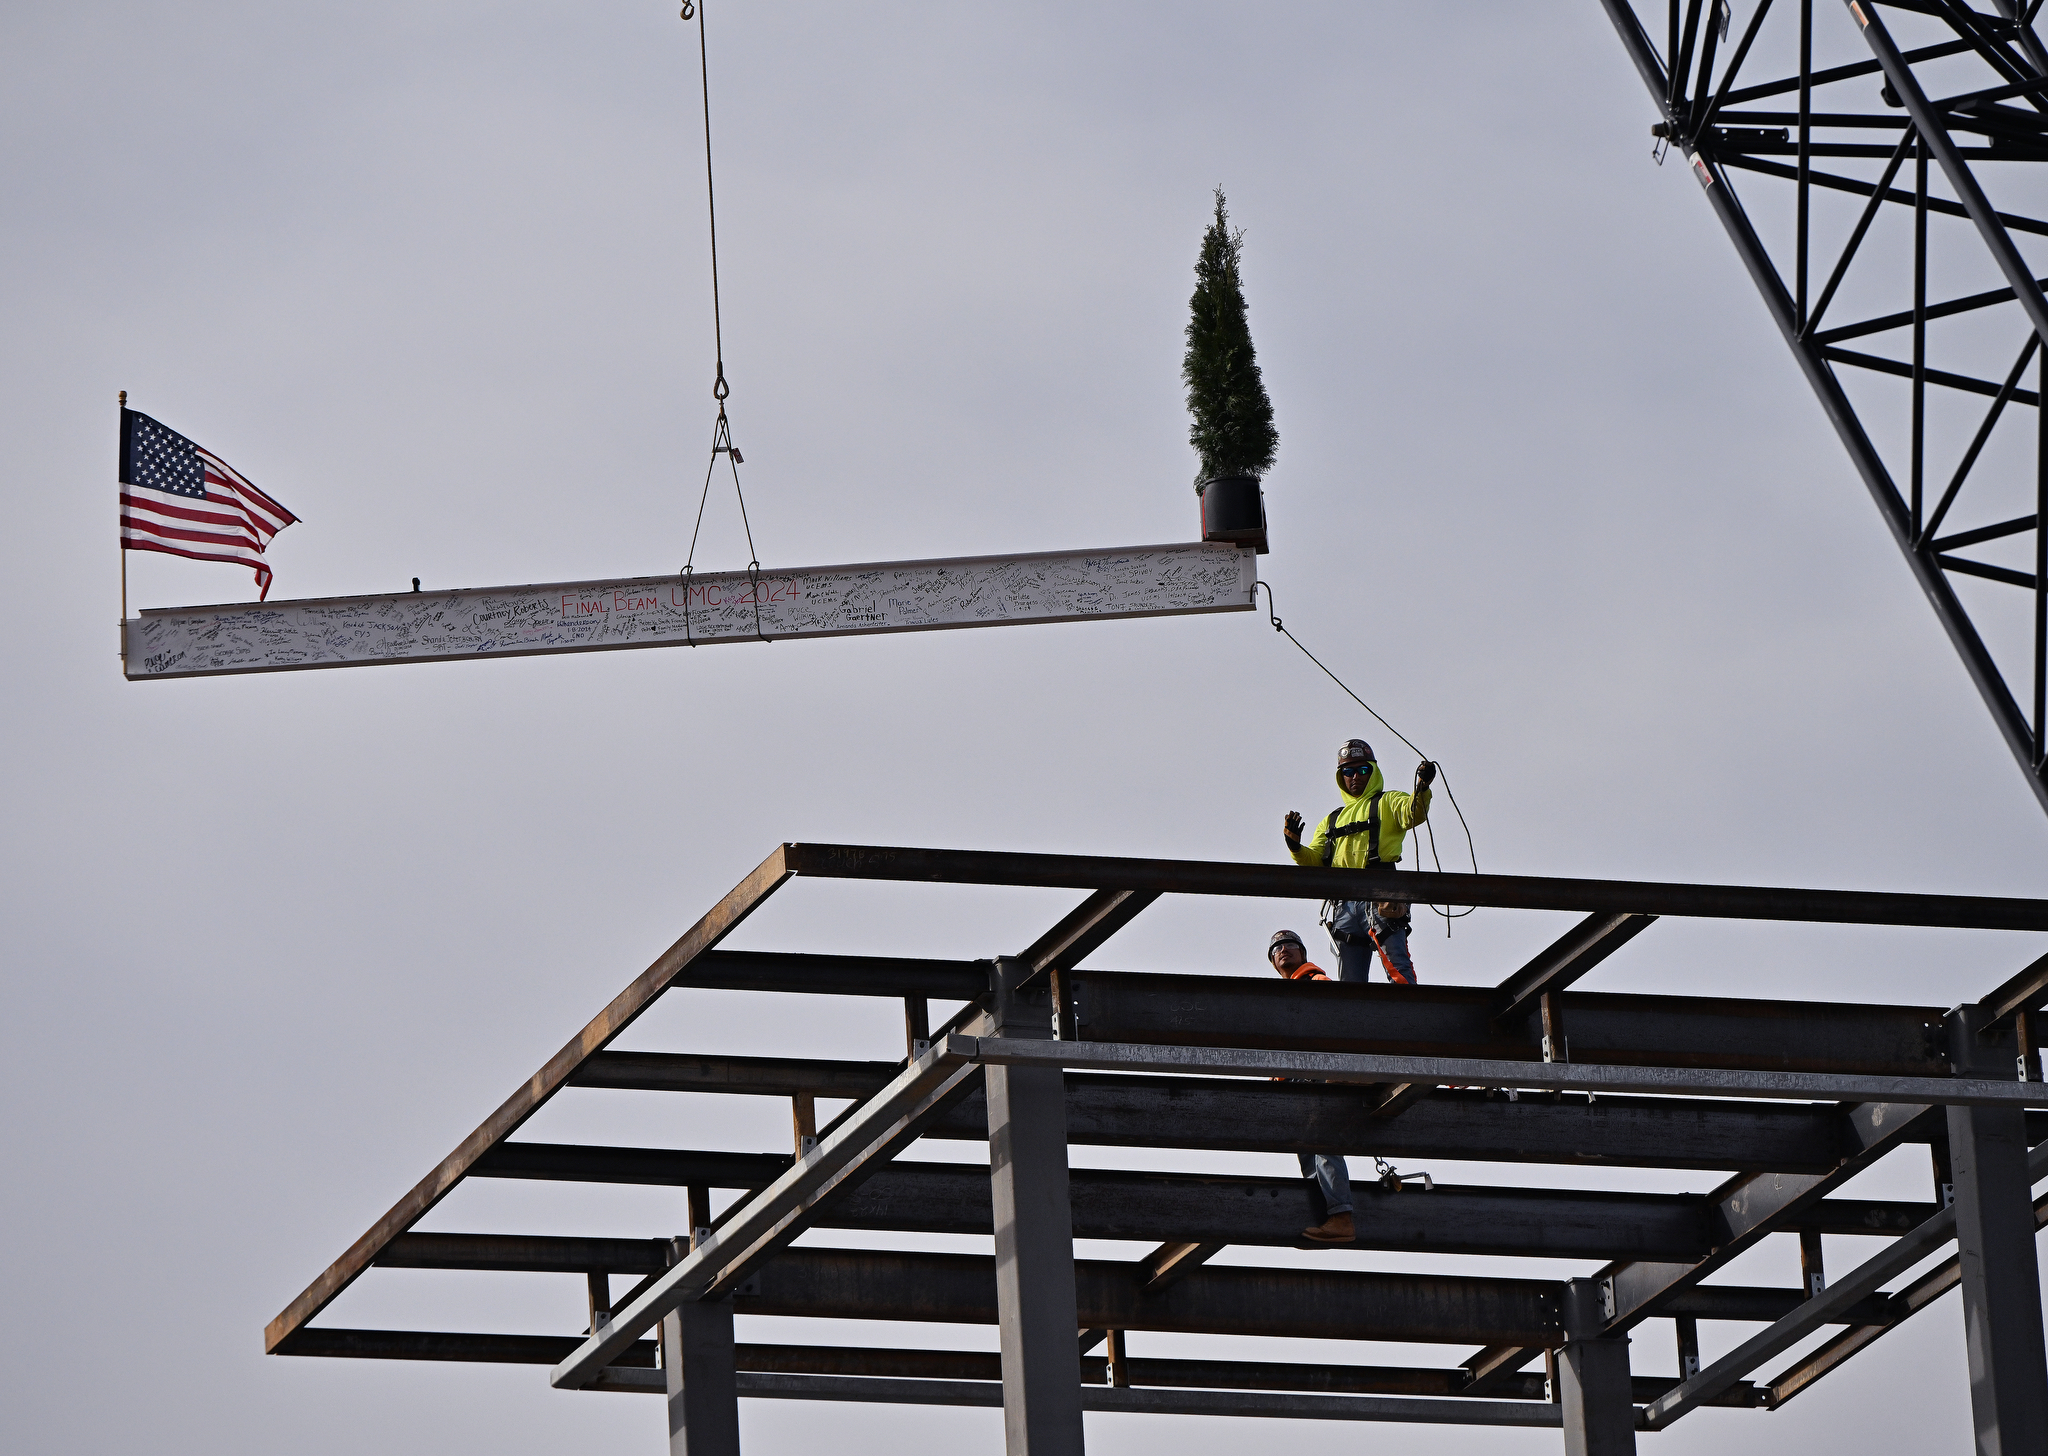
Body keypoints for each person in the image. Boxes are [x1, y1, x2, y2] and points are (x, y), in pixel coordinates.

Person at [1282, 739, 1436, 984]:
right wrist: (1295, 847)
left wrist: (1422, 786)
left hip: (1381, 893)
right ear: (1340, 776)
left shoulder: (1389, 801)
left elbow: (1412, 813)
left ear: (1373, 771)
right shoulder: (1331, 820)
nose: (1355, 777)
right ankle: (1351, 1018)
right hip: (1344, 904)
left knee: (1396, 963)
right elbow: (1316, 861)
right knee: (1349, 981)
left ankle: (1409, 1009)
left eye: (1363, 770)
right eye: (1348, 771)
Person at [1267, 929, 1356, 1244]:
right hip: (1298, 1082)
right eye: (1277, 947)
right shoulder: (1283, 999)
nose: (1284, 950)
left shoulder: (1315, 983)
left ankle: (1341, 1215)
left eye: (1291, 945)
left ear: (1302, 954)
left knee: (1322, 1142)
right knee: (1307, 1150)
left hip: (1318, 1073)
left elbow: (1341, 1016)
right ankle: (1326, 1214)